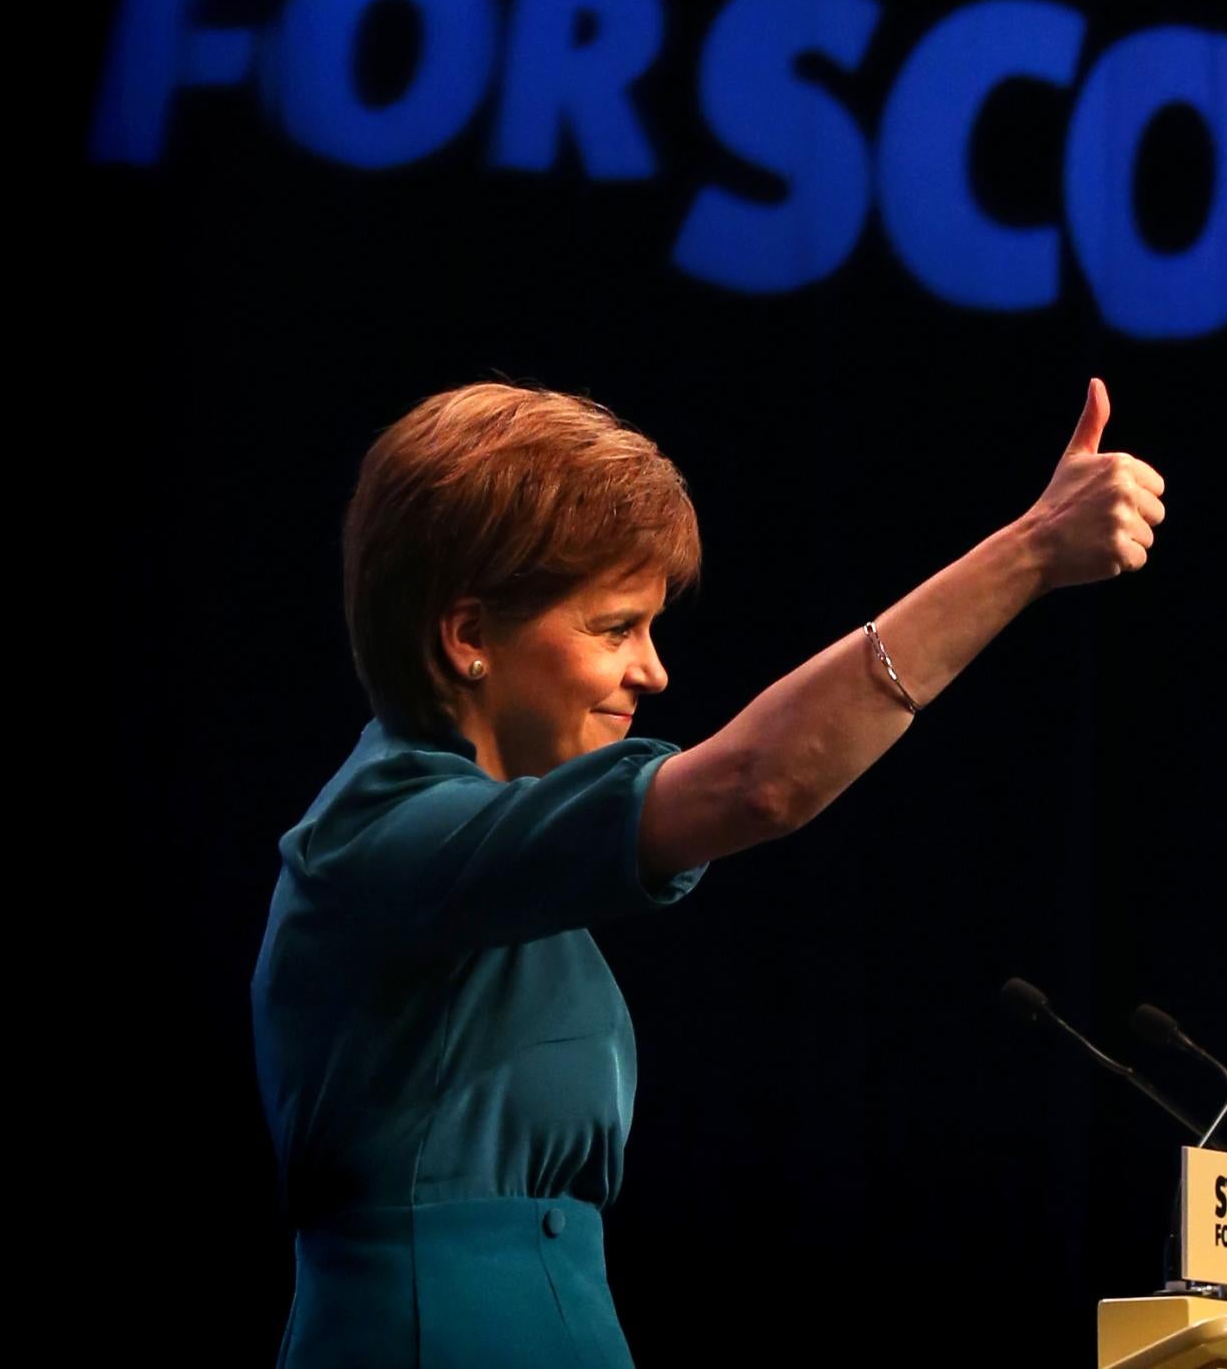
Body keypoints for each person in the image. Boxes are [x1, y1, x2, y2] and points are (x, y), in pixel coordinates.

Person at [252, 377, 1165, 1367]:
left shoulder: (494, 865)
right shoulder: (378, 834)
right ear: (468, 636)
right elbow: (756, 784)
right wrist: (1028, 552)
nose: (654, 671)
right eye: (614, 628)